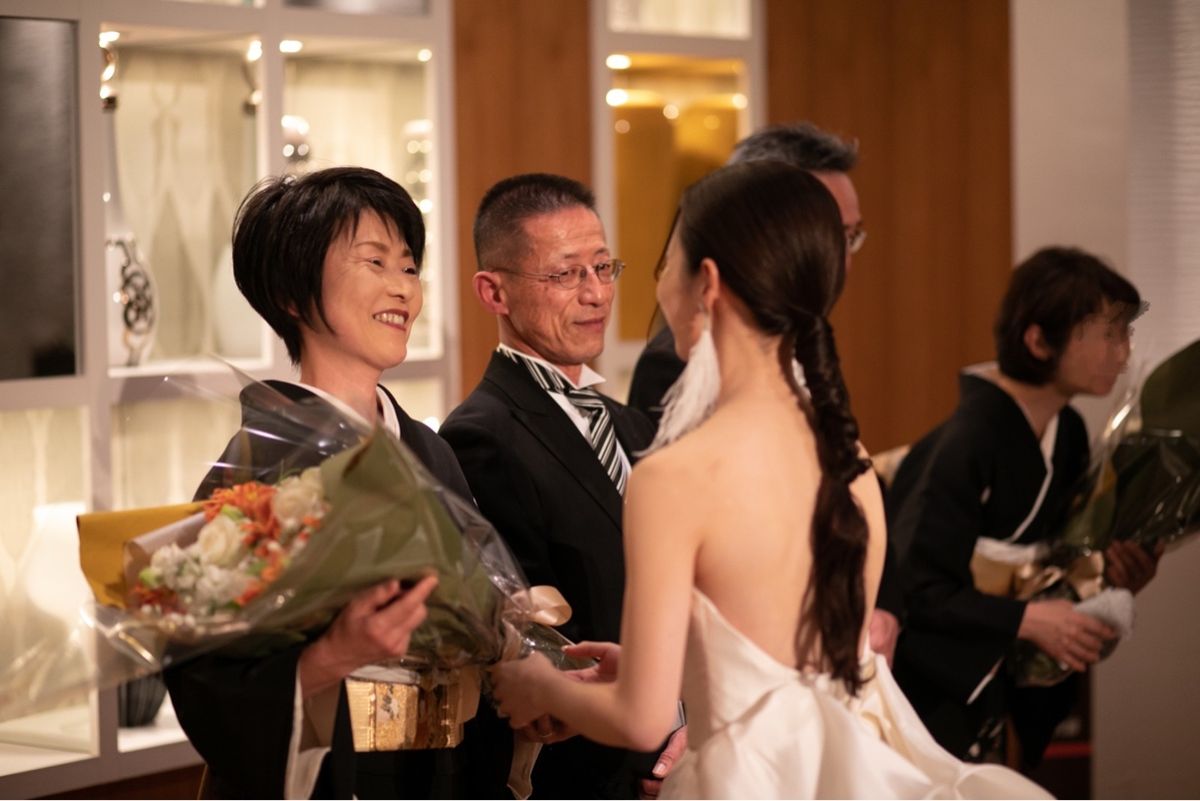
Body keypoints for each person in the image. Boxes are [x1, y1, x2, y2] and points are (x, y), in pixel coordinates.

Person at [488, 161, 1047, 798]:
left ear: (707, 282)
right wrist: (674, 670)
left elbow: (639, 720)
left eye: (667, 261)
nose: (651, 283)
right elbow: (797, 664)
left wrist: (540, 686)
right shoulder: (851, 461)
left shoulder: (675, 474)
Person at [164, 166, 512, 799]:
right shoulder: (257, 471)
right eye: (374, 261)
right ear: (292, 295)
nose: (402, 287)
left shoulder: (429, 449)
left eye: (409, 267)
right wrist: (333, 655)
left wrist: (527, 675)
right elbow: (207, 688)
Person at [627, 122, 904, 665]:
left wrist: (876, 609)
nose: (836, 256)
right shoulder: (677, 366)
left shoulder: (813, 355)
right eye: (823, 229)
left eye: (849, 236)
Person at [439, 173, 678, 798]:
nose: (595, 293)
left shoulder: (629, 423)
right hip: (595, 774)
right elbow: (535, 643)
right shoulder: (481, 435)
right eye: (566, 274)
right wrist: (647, 749)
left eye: (603, 267)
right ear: (494, 291)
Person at [888, 246, 1160, 771]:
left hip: (1017, 672)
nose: (1123, 353)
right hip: (943, 682)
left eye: (1124, 334)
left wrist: (1111, 571)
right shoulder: (966, 442)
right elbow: (917, 589)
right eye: (1108, 335)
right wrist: (1027, 618)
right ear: (1038, 341)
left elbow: (1062, 555)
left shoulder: (1068, 433)